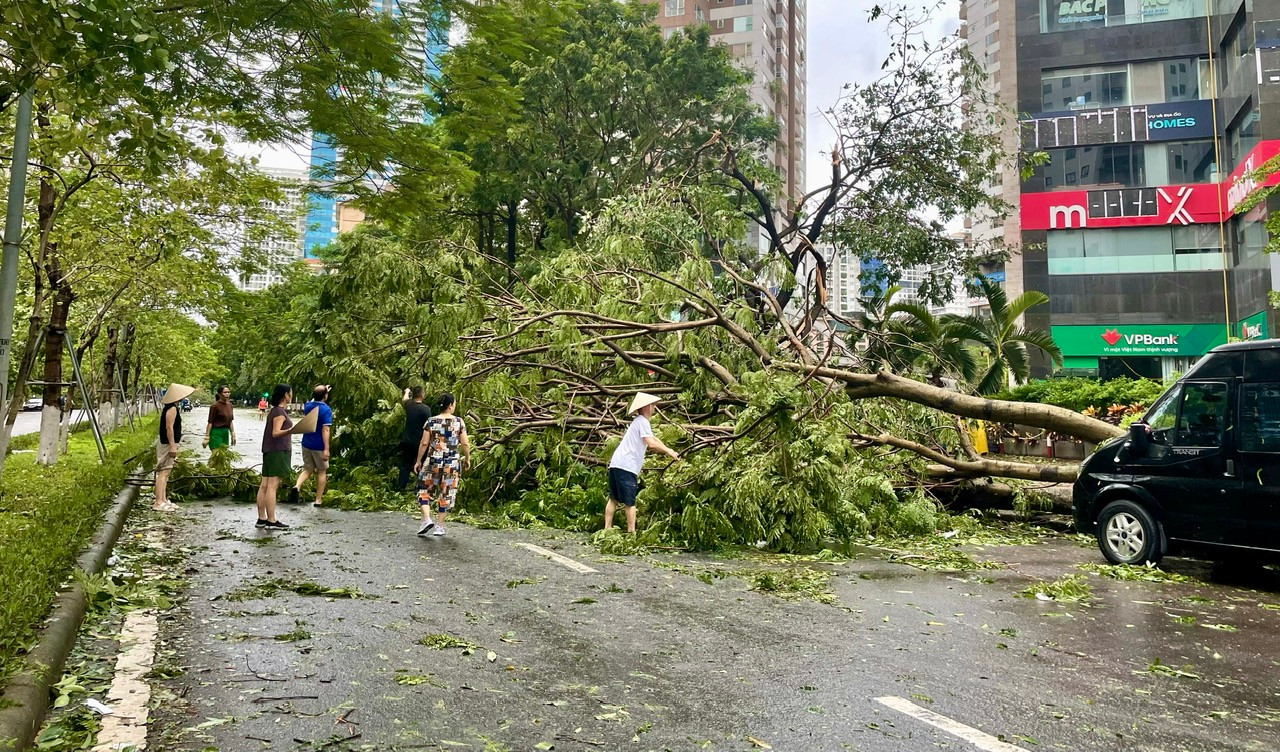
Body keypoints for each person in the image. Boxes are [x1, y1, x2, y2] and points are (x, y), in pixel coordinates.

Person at [606, 392, 679, 534]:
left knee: (613, 499)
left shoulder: (639, 422)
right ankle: (631, 533)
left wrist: (669, 450)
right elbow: (651, 443)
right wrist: (668, 452)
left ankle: (607, 528)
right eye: (653, 405)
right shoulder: (643, 421)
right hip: (627, 466)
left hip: (616, 463)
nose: (654, 408)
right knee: (630, 502)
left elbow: (654, 438)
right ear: (647, 406)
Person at [413, 393, 470, 537]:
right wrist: (467, 458)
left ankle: (426, 519)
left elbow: (424, 443)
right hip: (451, 463)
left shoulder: (431, 421)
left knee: (424, 488)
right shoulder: (459, 422)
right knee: (447, 491)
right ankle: (439, 526)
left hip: (433, 461)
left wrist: (419, 460)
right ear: (450, 405)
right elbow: (465, 443)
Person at [257, 384, 294, 529]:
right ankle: (271, 520)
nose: (291, 396)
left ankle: (262, 518)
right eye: (290, 393)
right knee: (272, 486)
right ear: (286, 395)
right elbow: (276, 432)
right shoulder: (279, 412)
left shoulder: (274, 411)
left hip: (269, 450)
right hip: (278, 450)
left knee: (265, 485)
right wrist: (291, 430)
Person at [291, 385, 333, 507]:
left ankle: (297, 486)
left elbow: (314, 399)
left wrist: (323, 391)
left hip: (306, 443)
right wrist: (326, 449)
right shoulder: (326, 410)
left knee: (308, 469)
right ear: (325, 396)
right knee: (322, 471)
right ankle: (318, 500)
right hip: (319, 445)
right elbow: (325, 429)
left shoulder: (308, 406)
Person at [154, 383, 194, 512]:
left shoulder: (173, 407)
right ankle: (158, 502)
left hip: (169, 443)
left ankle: (164, 499)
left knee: (166, 473)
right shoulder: (171, 409)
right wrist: (172, 446)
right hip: (167, 444)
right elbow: (169, 427)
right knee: (163, 472)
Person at [399, 386, 432, 490]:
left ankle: (401, 487)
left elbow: (404, 400)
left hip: (407, 440)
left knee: (405, 465)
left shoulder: (409, 405)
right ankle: (421, 487)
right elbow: (428, 427)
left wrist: (407, 391)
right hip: (419, 442)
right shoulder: (425, 409)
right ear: (422, 395)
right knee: (421, 464)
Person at [202, 385, 237, 450]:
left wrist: (232, 433)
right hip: (216, 432)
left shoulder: (230, 405)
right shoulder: (215, 406)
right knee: (216, 455)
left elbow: (230, 421)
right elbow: (210, 422)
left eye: (228, 392)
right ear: (220, 394)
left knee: (223, 456)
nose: (227, 394)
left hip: (225, 432)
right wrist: (207, 437)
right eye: (225, 392)